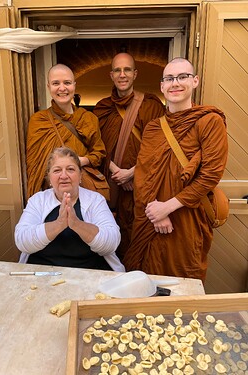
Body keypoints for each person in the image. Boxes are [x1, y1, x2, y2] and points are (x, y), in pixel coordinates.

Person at [124, 57, 228, 282]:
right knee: (145, 281)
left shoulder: (209, 122)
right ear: (162, 86)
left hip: (186, 219)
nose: (175, 83)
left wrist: (168, 208)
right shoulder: (153, 128)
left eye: (182, 77)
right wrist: (155, 212)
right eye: (169, 78)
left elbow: (210, 175)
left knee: (182, 281)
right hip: (151, 219)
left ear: (195, 81)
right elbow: (142, 176)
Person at [93, 52, 165, 260]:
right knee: (107, 242)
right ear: (111, 75)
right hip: (110, 189)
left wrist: (132, 173)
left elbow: (160, 148)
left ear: (135, 74)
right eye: (117, 70)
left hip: (142, 191)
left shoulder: (151, 106)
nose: (122, 74)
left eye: (127, 70)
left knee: (137, 242)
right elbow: (95, 146)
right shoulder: (102, 108)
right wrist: (116, 171)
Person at [15, 147, 124, 271]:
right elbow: (22, 241)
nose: (64, 175)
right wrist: (59, 224)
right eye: (57, 170)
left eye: (70, 169)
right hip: (43, 273)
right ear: (49, 177)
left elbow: (111, 243)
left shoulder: (95, 200)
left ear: (80, 175)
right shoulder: (37, 200)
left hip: (90, 273)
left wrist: (77, 224)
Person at [26, 64, 106, 198]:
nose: (62, 88)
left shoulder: (88, 118)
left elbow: (99, 153)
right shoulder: (39, 120)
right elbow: (34, 166)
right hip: (51, 193)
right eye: (56, 83)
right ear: (48, 87)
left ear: (74, 85)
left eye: (67, 83)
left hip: (82, 191)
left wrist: (81, 161)